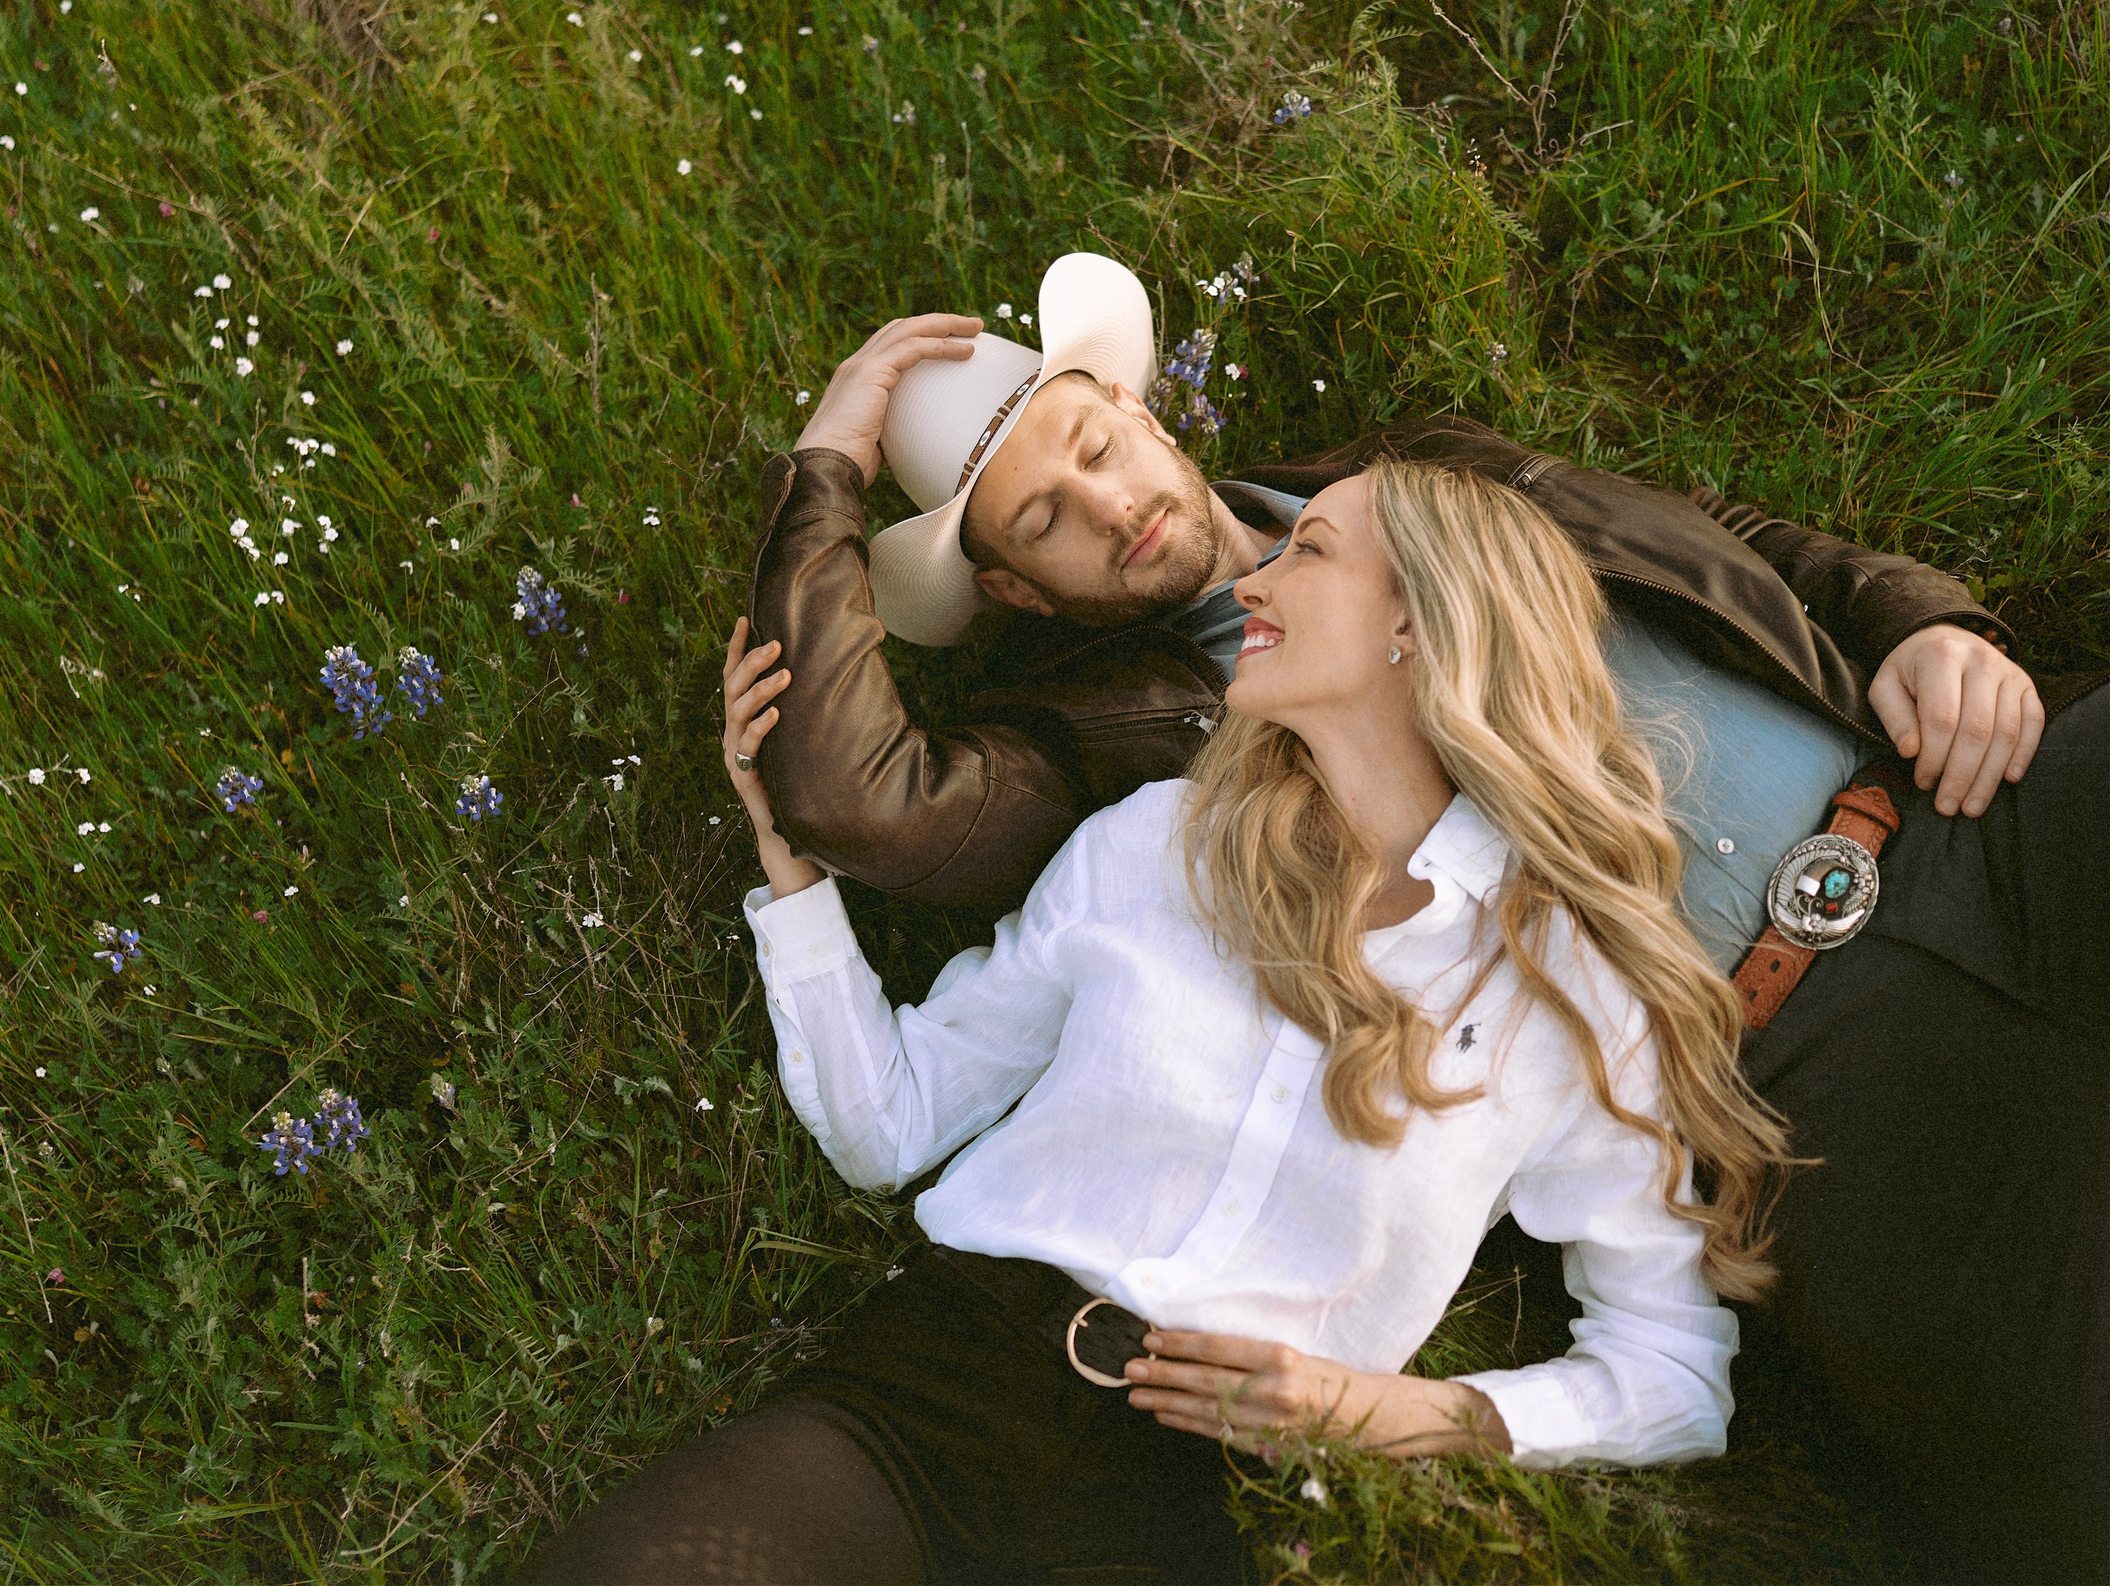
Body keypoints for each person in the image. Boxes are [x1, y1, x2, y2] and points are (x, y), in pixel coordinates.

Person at [738, 253, 2110, 1578]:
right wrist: (826, 472)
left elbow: (1714, 539)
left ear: (1143, 412)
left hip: (1962, 806)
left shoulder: (1412, 469)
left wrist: (1920, 621)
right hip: (1791, 1071)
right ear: (1018, 593)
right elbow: (858, 800)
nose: (1109, 507)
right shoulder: (1129, 734)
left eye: (1095, 447)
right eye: (1044, 523)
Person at [522, 462, 1794, 1583]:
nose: (1253, 581)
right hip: (935, 1390)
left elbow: (1671, 1375)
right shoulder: (1151, 847)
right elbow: (889, 1125)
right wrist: (789, 862)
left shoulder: (1566, 982)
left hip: (1183, 1494)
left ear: (1419, 617)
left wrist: (1385, 1412)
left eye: (1307, 550)